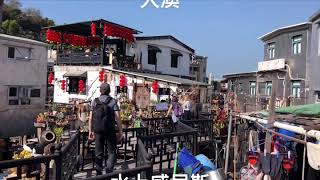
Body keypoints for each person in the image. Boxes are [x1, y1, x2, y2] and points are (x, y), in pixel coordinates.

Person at [88, 83, 123, 175]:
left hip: (98, 131)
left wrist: (90, 131)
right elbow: (118, 118)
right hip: (110, 130)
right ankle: (108, 171)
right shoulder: (113, 101)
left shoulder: (94, 101)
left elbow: (90, 118)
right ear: (109, 91)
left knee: (98, 153)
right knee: (111, 152)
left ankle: (99, 173)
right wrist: (121, 132)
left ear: (100, 90)